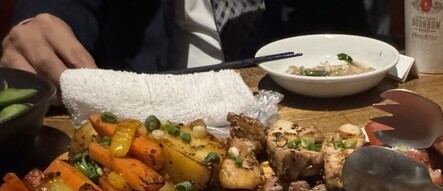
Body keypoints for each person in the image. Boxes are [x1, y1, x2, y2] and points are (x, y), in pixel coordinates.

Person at [0, 0, 390, 89]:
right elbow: (61, 9)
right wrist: (38, 25)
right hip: (154, 112)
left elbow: (346, 37)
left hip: (296, 107)